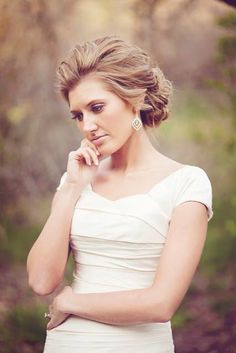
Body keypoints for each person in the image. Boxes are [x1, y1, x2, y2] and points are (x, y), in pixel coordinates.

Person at [27, 35, 214, 353]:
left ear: (136, 100)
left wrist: (73, 301)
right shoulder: (74, 180)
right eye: (78, 115)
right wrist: (72, 187)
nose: (88, 125)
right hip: (66, 343)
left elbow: (160, 304)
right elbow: (42, 281)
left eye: (97, 108)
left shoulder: (187, 183)